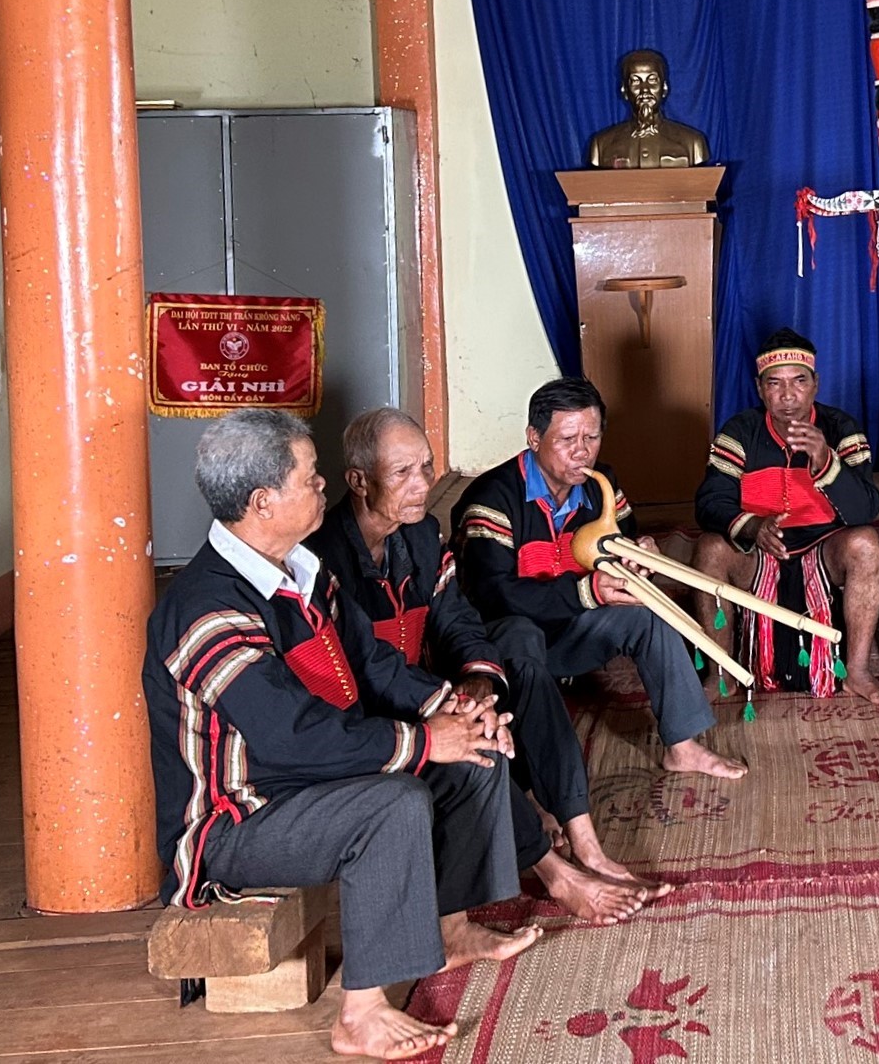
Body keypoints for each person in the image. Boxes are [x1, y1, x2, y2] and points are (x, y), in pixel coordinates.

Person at [144, 409, 536, 1060]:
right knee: (395, 802)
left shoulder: (294, 567)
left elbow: (372, 661)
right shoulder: (208, 610)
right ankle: (361, 1012)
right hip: (238, 821)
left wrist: (456, 709)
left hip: (298, 784)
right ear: (264, 501)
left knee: (474, 758)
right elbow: (292, 738)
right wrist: (421, 741)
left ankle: (454, 927)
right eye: (311, 478)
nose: (325, 487)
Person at [306, 407, 656, 926]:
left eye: (426, 467)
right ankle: (556, 872)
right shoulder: (321, 557)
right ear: (358, 481)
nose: (422, 484)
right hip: (369, 715)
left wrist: (476, 685)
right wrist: (453, 706)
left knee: (525, 675)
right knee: (470, 740)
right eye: (402, 473)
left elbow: (458, 622)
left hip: (428, 691)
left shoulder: (420, 535)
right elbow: (366, 665)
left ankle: (585, 840)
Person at [451, 377, 745, 778]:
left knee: (648, 611)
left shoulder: (600, 485)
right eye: (567, 438)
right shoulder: (492, 498)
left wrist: (638, 556)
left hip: (571, 630)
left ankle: (682, 746)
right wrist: (586, 592)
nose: (581, 451)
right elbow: (492, 595)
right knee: (520, 632)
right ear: (534, 438)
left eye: (591, 437)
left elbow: (620, 544)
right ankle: (535, 775)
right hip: (508, 643)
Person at [692, 329, 879, 706]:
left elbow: (866, 509)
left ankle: (859, 672)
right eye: (775, 384)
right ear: (759, 388)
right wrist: (752, 525)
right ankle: (721, 672)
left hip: (824, 549)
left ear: (815, 384)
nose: (787, 396)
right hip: (759, 551)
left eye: (799, 381)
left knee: (866, 544)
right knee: (709, 549)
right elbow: (709, 502)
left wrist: (824, 460)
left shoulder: (841, 428)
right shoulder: (740, 432)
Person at [586, 48, 711, 168]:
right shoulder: (601, 145)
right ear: (624, 90)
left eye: (652, 80)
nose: (644, 89)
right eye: (635, 81)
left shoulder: (693, 143)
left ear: (664, 88)